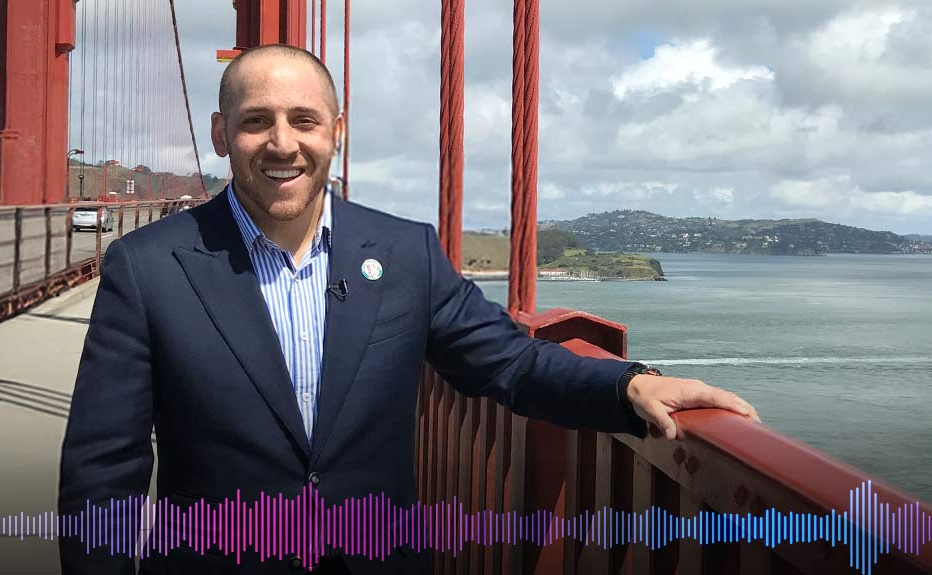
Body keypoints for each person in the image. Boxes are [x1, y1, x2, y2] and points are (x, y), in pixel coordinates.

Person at [58, 44, 759, 574]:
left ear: (336, 128)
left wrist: (626, 384)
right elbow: (102, 469)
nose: (282, 142)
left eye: (304, 119)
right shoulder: (147, 268)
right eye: (255, 122)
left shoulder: (405, 254)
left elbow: (510, 362)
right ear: (220, 134)